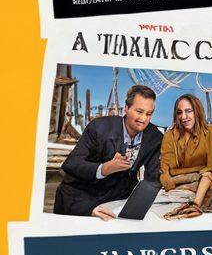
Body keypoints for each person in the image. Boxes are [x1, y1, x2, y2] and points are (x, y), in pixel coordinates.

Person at [54, 84, 163, 219]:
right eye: (139, 112)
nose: (144, 119)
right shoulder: (98, 127)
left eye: (149, 114)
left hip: (117, 201)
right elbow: (70, 164)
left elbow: (153, 180)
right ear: (126, 109)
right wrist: (104, 168)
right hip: (80, 197)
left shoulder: (155, 137)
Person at [159, 94, 212, 217]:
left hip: (205, 184)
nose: (183, 117)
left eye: (188, 111)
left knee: (209, 176)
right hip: (177, 187)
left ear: (197, 111)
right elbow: (167, 169)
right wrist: (198, 170)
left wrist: (184, 172)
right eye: (179, 112)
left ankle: (195, 207)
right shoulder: (170, 136)